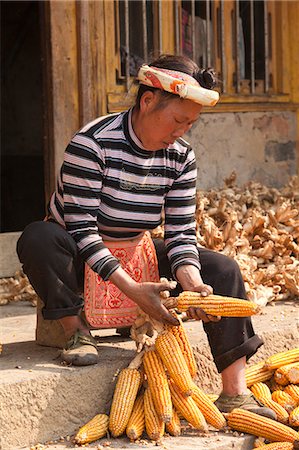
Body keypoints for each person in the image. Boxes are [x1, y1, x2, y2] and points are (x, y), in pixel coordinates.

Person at [17, 54, 275, 418]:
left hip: (136, 252)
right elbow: (82, 230)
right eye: (177, 120)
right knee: (38, 238)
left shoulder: (181, 157)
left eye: (190, 123)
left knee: (223, 270)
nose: (182, 131)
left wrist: (193, 282)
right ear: (148, 101)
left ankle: (234, 393)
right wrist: (133, 289)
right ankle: (76, 331)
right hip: (78, 251)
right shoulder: (92, 145)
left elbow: (181, 233)